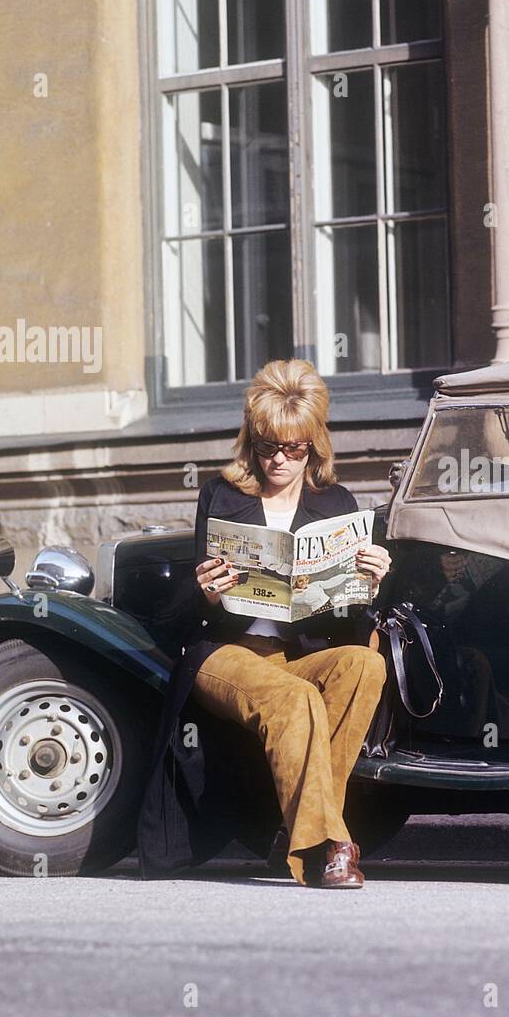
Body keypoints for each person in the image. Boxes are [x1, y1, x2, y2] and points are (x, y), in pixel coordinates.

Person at [137, 359, 390, 889]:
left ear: (312, 445)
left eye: (292, 448)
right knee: (294, 699)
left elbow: (348, 618)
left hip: (297, 651)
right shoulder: (222, 495)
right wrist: (206, 589)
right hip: (227, 651)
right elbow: (192, 606)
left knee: (365, 666)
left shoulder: (336, 503)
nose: (278, 459)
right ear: (251, 441)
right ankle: (329, 847)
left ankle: (297, 834)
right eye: (267, 445)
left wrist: (369, 581)